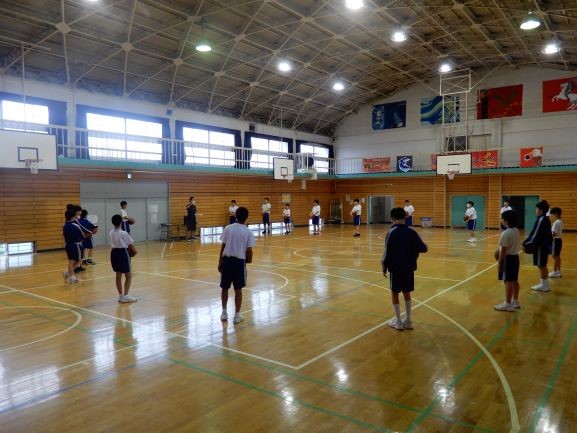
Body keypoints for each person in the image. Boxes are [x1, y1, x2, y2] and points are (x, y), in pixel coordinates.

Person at [381, 207, 428, 330]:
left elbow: (387, 252)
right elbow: (424, 248)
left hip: (396, 268)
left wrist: (384, 266)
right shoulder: (412, 232)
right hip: (409, 267)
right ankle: (408, 321)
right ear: (405, 217)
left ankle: (398, 322)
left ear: (392, 219)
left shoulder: (391, 232)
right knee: (407, 292)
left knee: (395, 293)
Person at [218, 207, 255, 324]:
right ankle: (237, 316)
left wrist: (220, 261)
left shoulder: (228, 228)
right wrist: (249, 260)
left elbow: (223, 246)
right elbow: (249, 250)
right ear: (247, 217)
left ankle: (224, 313)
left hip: (226, 261)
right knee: (238, 289)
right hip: (239, 263)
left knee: (224, 287)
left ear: (235, 216)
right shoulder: (248, 232)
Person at [523, 200, 553, 292]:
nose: (535, 210)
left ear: (541, 210)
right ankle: (544, 284)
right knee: (542, 265)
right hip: (543, 245)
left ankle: (544, 286)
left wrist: (526, 244)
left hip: (540, 246)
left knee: (541, 265)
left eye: (536, 208)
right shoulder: (545, 219)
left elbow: (534, 235)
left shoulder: (541, 220)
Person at [494, 210, 521, 312]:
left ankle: (507, 304)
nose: (501, 219)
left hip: (508, 259)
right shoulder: (516, 230)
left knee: (507, 281)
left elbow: (503, 250)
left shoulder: (506, 233)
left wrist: (499, 262)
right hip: (515, 257)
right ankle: (515, 301)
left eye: (502, 218)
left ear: (506, 220)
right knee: (514, 280)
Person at [110, 214, 138, 303]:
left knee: (118, 275)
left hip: (114, 253)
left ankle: (120, 295)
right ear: (121, 222)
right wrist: (135, 252)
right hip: (123, 253)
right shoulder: (124, 233)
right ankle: (126, 295)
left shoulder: (111, 232)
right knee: (128, 275)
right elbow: (130, 245)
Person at [62, 209, 84, 284]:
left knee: (71, 261)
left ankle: (69, 275)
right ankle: (71, 276)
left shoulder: (64, 226)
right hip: (76, 245)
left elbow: (65, 236)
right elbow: (82, 235)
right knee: (79, 260)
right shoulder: (75, 225)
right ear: (73, 216)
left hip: (68, 244)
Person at [549, 207, 563, 278]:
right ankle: (558, 271)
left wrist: (547, 238)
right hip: (559, 240)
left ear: (556, 214)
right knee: (557, 256)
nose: (552, 215)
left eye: (552, 214)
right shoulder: (560, 221)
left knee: (555, 256)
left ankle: (555, 272)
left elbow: (553, 233)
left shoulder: (556, 222)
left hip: (555, 241)